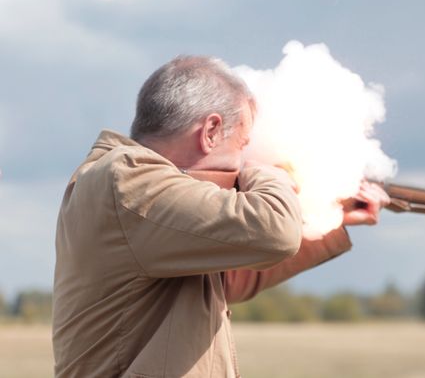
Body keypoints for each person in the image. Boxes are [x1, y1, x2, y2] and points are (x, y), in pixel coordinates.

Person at [52, 56, 389, 377]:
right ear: (210, 131)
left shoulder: (136, 192)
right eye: (244, 144)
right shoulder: (127, 178)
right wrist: (274, 172)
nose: (244, 158)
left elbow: (228, 281)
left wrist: (331, 217)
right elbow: (274, 232)